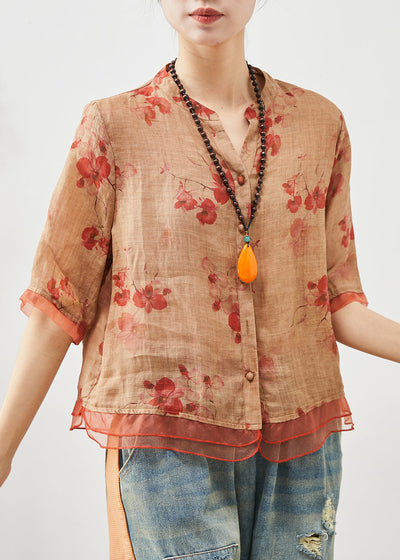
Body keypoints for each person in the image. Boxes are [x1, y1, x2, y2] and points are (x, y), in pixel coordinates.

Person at [1, 1, 399, 559]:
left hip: (302, 442)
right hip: (168, 444)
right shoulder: (114, 127)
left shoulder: (319, 125)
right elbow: (59, 301)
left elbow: (335, 301)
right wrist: (3, 447)